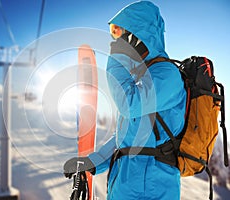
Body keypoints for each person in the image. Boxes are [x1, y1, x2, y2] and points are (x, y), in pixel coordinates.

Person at [64, 1, 187, 199]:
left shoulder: (167, 75)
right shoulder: (140, 78)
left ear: (139, 34)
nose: (116, 39)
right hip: (125, 184)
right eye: (114, 32)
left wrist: (116, 60)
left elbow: (130, 105)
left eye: (120, 32)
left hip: (151, 189)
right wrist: (92, 162)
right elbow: (124, 140)